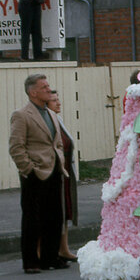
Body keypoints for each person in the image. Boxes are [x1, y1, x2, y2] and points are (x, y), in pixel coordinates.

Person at [9, 74, 68, 273]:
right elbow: (16, 146)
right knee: (32, 219)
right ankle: (31, 261)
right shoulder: (22, 115)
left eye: (48, 86)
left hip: (54, 170)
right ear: (33, 92)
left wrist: (59, 159)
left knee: (54, 216)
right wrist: (28, 169)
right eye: (44, 87)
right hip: (35, 172)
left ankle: (50, 257)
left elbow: (56, 142)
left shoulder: (50, 114)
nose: (49, 90)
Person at [47, 91, 78, 262]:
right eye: (54, 101)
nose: (58, 103)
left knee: (66, 208)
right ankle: (51, 249)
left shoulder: (58, 119)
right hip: (55, 170)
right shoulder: (47, 122)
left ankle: (64, 248)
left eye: (58, 99)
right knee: (57, 209)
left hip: (65, 170)